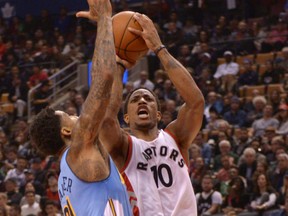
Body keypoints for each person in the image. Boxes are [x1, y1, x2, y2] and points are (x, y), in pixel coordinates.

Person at [29, 0, 132, 215]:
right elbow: (103, 78)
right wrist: (105, 19)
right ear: (66, 132)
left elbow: (108, 110)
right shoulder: (78, 150)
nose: (76, 115)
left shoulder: (67, 175)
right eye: (68, 115)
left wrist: (119, 63)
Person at [99, 12, 204, 215]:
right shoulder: (123, 146)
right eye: (136, 99)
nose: (142, 101)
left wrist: (158, 48)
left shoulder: (177, 137)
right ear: (126, 118)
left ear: (158, 114)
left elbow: (196, 102)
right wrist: (120, 65)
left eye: (148, 99)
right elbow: (106, 120)